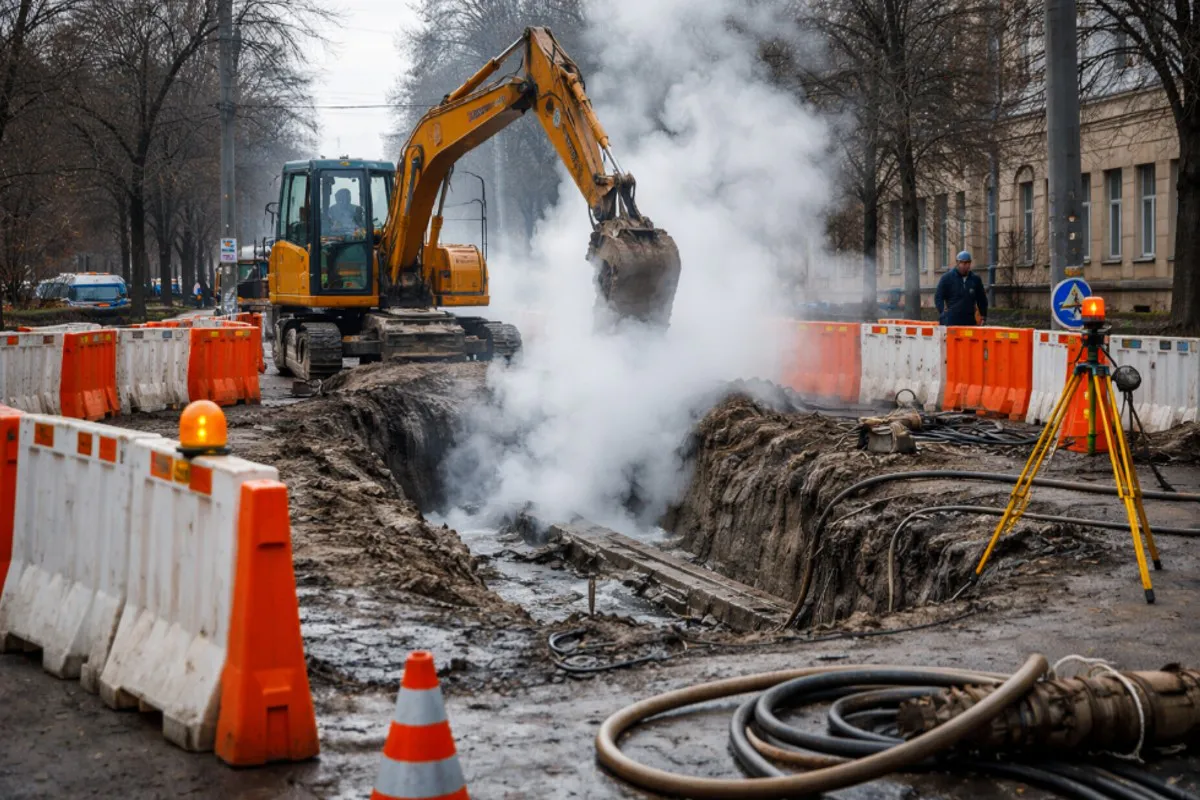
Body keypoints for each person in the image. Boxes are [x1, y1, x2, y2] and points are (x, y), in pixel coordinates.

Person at [934, 250, 988, 326]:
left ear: (970, 264)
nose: (964, 265)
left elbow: (981, 299)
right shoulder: (947, 278)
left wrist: (983, 316)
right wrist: (943, 312)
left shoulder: (975, 280)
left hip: (969, 321)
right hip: (951, 321)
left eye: (967, 263)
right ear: (957, 263)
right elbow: (938, 297)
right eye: (962, 263)